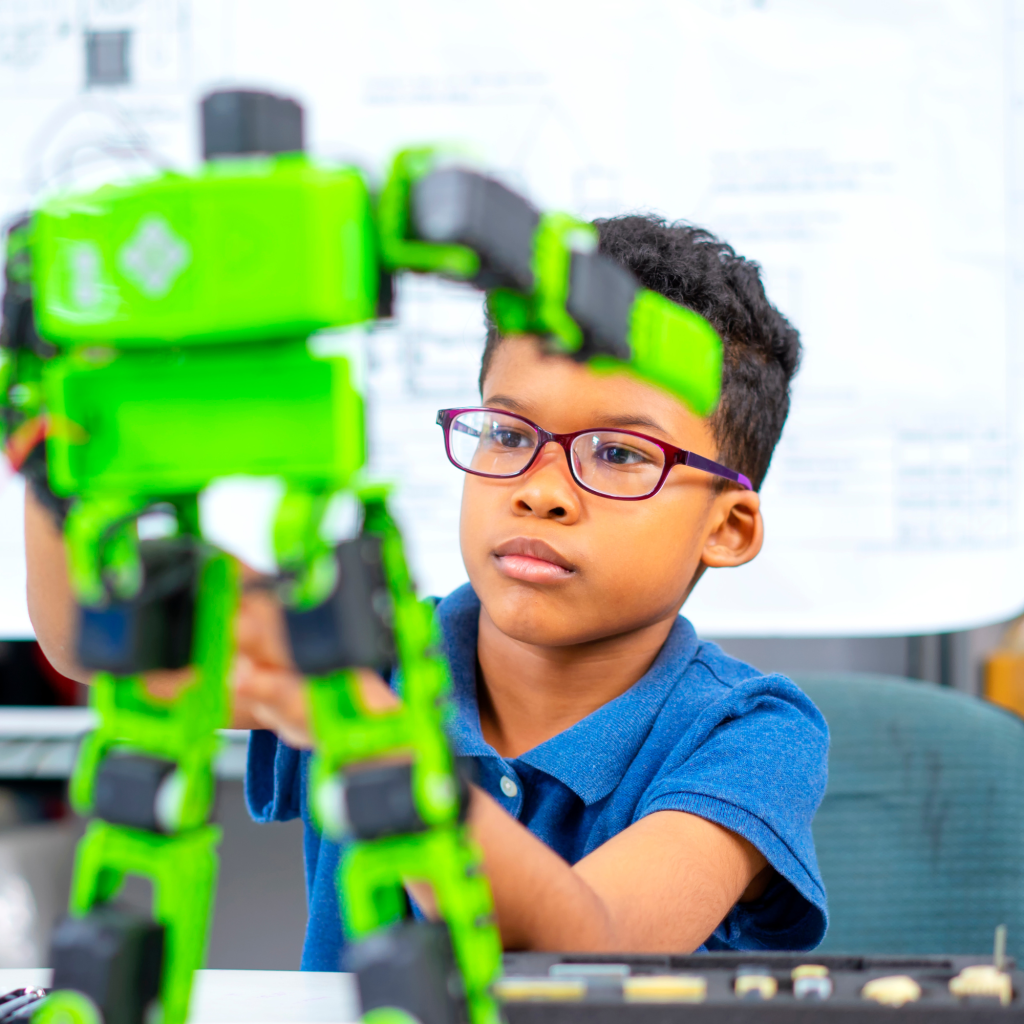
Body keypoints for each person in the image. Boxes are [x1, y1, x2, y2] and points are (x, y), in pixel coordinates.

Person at [25, 214, 828, 969]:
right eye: (510, 435)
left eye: (619, 453)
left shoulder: (755, 736)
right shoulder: (378, 643)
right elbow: (89, 635)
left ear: (728, 528)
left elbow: (588, 944)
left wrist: (363, 726)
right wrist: (55, 418)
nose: (540, 491)